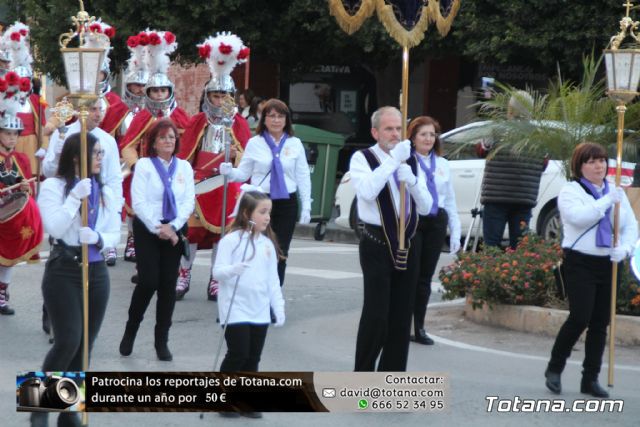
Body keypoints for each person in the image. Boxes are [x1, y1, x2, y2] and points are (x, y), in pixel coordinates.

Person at [33, 133, 119, 427]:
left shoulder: (103, 189)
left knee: (85, 346)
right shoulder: (53, 187)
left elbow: (115, 232)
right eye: (94, 153)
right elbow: (53, 227)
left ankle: (69, 417)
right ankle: (39, 408)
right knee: (67, 340)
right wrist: (73, 198)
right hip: (63, 270)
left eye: (100, 153)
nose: (99, 158)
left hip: (96, 272)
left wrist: (99, 237)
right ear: (75, 156)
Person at [545, 142, 637, 398]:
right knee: (580, 317)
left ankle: (591, 378)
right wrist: (607, 200)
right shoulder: (571, 191)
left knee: (600, 323)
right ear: (580, 166)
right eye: (592, 161)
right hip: (580, 262)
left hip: (609, 263)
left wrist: (626, 248)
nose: (599, 166)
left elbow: (630, 226)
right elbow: (579, 218)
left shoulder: (614, 191)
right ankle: (555, 367)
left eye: (602, 160)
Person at [349, 106, 432, 371]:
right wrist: (392, 162)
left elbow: (428, 207)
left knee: (401, 316)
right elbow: (367, 192)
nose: (395, 134)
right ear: (375, 132)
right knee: (376, 315)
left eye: (398, 128)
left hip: (408, 242)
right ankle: (362, 375)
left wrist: (414, 182)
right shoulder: (362, 158)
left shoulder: (413, 159)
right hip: (376, 243)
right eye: (389, 129)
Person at [175, 32, 251, 301]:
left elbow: (246, 155)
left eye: (225, 95)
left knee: (223, 236)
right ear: (208, 96)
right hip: (200, 182)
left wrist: (235, 168)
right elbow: (185, 154)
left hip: (227, 184)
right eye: (216, 95)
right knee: (193, 233)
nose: (220, 100)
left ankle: (215, 280)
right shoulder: (197, 121)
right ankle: (183, 274)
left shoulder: (238, 123)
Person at [119, 119, 195, 361]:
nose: (168, 141)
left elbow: (188, 202)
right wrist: (158, 228)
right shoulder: (144, 165)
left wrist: (172, 227)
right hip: (148, 228)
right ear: (153, 142)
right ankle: (131, 330)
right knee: (148, 281)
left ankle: (161, 340)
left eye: (172, 137)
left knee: (167, 286)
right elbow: (138, 201)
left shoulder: (184, 167)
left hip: (174, 229)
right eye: (162, 137)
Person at [119, 29, 190, 272]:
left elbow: (189, 146)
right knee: (144, 216)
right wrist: (138, 166)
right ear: (148, 93)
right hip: (147, 175)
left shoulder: (180, 116)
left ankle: (178, 269)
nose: (159, 94)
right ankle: (145, 264)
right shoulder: (142, 117)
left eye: (163, 91)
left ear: (170, 92)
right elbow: (127, 146)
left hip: (175, 177)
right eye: (154, 91)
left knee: (178, 221)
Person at [220, 98, 312, 286]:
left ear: (287, 119)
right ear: (264, 119)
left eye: (280, 116)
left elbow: (303, 176)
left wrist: (307, 207)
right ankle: (254, 290)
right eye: (271, 116)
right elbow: (244, 173)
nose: (276, 120)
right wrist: (229, 172)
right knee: (257, 247)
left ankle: (273, 295)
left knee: (280, 251)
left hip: (287, 202)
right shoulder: (255, 143)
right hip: (260, 202)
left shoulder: (295, 143)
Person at [213, 190, 284, 418]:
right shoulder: (231, 241)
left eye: (269, 213)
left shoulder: (266, 245)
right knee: (238, 353)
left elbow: (273, 279)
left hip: (260, 309)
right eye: (262, 212)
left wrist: (278, 307)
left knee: (253, 357)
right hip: (235, 308)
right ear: (247, 213)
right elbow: (217, 272)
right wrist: (233, 270)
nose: (267, 217)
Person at [43, 98, 123, 266]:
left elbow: (114, 178)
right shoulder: (63, 133)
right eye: (93, 109)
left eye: (100, 109)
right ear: (81, 111)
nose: (97, 114)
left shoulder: (107, 140)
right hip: (68, 198)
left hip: (97, 199)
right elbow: (49, 171)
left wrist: (115, 209)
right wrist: (57, 154)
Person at [408, 116, 461, 345]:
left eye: (432, 134)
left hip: (436, 220)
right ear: (412, 137)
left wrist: (455, 230)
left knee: (425, 278)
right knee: (410, 274)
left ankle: (419, 327)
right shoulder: (407, 162)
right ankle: (403, 324)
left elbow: (449, 200)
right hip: (414, 220)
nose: (428, 139)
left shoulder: (442, 164)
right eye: (423, 134)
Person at [479, 91, 545, 249]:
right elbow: (544, 164)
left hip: (496, 197)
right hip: (524, 197)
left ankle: (491, 273)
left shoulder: (496, 129)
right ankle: (517, 273)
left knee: (491, 245)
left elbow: (481, 151)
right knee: (520, 246)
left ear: (510, 108)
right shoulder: (539, 134)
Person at [0, 94, 43, 315]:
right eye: (7, 133)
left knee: (7, 259)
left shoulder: (23, 160)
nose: (12, 138)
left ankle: (2, 293)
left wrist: (26, 189)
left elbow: (27, 191)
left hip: (11, 216)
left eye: (15, 134)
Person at [0, 23, 48, 173]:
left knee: (29, 178)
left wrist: (44, 147)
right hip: (6, 143)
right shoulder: (4, 98)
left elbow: (42, 127)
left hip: (30, 145)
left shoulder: (35, 100)